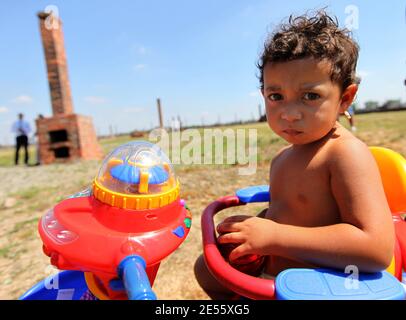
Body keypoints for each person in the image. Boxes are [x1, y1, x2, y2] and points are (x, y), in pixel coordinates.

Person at [194, 10, 395, 299]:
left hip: (320, 287)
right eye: (276, 96)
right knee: (206, 270)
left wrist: (275, 237)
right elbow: (289, 213)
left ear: (345, 98)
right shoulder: (282, 158)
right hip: (275, 278)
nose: (289, 114)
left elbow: (375, 248)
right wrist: (256, 225)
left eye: (310, 96)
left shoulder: (344, 154)